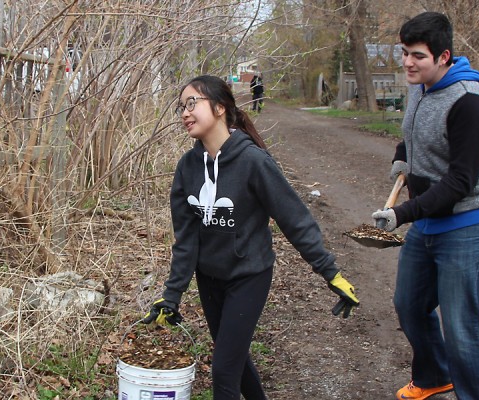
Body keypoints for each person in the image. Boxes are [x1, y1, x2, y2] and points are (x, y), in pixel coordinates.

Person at [143, 75, 359, 400]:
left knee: (224, 371)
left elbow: (294, 219)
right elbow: (186, 240)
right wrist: (172, 295)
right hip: (209, 278)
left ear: (219, 108)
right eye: (180, 107)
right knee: (236, 360)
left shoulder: (253, 162)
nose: (184, 113)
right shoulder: (187, 168)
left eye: (192, 103)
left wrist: (329, 272)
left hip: (249, 276)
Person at [371, 12, 479, 400]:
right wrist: (402, 158)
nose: (408, 63)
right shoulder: (421, 86)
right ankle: (434, 376)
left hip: (472, 222)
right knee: (410, 305)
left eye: (417, 55)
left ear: (444, 56)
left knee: (462, 326)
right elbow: (413, 133)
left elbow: (461, 183)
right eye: (404, 53)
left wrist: (401, 214)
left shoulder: (469, 103)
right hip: (433, 217)